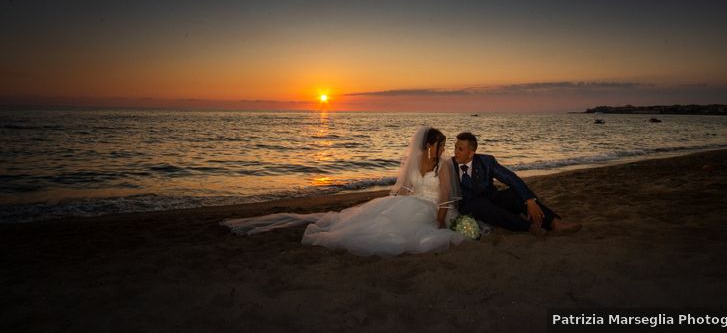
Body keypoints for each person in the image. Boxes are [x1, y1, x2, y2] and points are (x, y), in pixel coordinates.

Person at [222, 127, 467, 256]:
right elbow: (406, 188)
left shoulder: (444, 164)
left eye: (444, 145)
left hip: (432, 207)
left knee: (403, 232)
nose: (443, 149)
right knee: (381, 219)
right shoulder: (416, 160)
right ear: (428, 145)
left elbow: (444, 195)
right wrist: (391, 203)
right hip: (412, 202)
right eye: (440, 145)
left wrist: (439, 222)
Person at [452, 131, 581, 236]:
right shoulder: (449, 164)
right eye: (455, 147)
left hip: (492, 200)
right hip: (469, 207)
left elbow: (510, 177)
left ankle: (554, 223)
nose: (455, 152)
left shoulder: (486, 161)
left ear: (471, 154)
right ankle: (528, 227)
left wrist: (529, 200)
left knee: (514, 194)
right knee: (481, 204)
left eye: (460, 149)